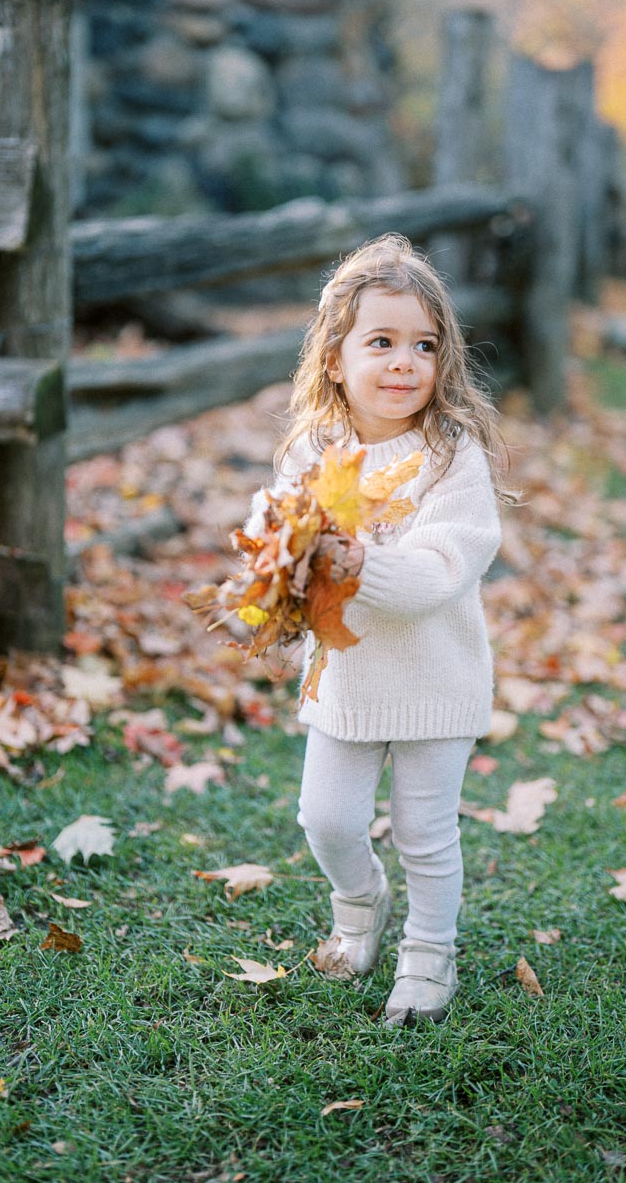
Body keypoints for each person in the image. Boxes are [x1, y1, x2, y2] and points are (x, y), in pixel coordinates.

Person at [243, 233, 510, 1024]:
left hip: (436, 676)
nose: (404, 362)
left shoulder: (449, 458)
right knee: (325, 818)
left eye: (424, 345)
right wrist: (274, 558)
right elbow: (279, 536)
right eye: (382, 342)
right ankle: (359, 906)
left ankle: (430, 954)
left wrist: (357, 562)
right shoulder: (314, 450)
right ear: (334, 358)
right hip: (347, 680)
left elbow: (440, 568)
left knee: (425, 831)